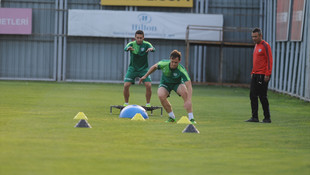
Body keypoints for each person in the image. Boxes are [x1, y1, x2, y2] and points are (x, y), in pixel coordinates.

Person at [139, 50, 196, 124]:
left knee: (185, 93)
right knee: (161, 95)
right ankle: (172, 117)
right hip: (165, 83)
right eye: (172, 61)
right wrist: (145, 76)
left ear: (179, 61)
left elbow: (189, 85)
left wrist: (188, 100)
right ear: (170, 59)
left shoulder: (181, 70)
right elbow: (154, 67)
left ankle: (191, 119)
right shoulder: (164, 63)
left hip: (177, 83)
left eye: (175, 62)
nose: (173, 64)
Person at [245, 28, 273, 123]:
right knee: (252, 95)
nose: (254, 38)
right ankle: (254, 117)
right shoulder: (256, 46)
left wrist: (267, 74)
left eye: (255, 36)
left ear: (261, 36)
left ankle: (267, 117)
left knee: (262, 96)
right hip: (255, 74)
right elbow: (256, 61)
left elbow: (270, 60)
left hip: (262, 75)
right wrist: (253, 72)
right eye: (252, 36)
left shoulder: (265, 45)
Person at [123, 30, 155, 107]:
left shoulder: (146, 44)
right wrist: (128, 48)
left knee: (148, 85)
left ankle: (148, 104)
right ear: (135, 37)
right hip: (132, 68)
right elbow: (125, 48)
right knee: (126, 85)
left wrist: (151, 49)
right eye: (138, 38)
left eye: (141, 38)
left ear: (143, 37)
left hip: (144, 69)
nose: (139, 39)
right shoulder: (132, 44)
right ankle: (126, 103)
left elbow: (153, 48)